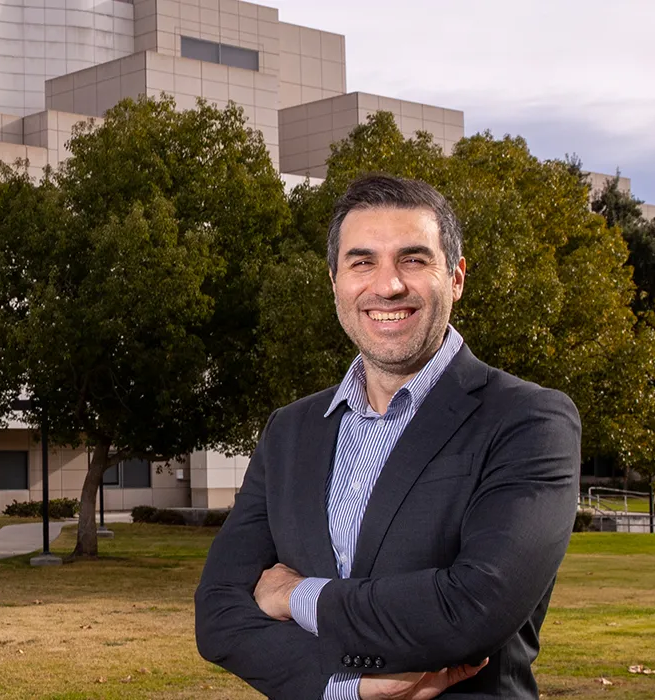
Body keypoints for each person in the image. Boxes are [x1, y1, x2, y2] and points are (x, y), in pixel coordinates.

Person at [195, 174, 581, 699]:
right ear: (334, 282)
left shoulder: (529, 421)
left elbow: (474, 606)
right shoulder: (290, 430)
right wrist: (349, 688)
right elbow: (219, 612)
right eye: (362, 263)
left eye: (413, 260)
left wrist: (297, 596)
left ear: (456, 277)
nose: (388, 285)